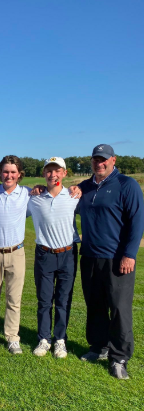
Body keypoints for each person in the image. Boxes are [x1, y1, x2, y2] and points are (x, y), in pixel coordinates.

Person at [78, 144, 144, 379]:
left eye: (104, 159)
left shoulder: (127, 185)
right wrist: (36, 189)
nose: (100, 163)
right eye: (96, 159)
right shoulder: (84, 187)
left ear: (113, 160)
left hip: (117, 259)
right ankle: (99, 346)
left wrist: (130, 254)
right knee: (95, 305)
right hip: (89, 257)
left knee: (119, 309)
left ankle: (120, 357)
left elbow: (137, 222)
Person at [27, 157, 80, 358]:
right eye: (49, 171)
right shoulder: (34, 198)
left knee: (63, 300)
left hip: (67, 254)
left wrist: (79, 187)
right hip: (44, 254)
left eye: (57, 171)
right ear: (44, 174)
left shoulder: (74, 196)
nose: (53, 175)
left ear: (64, 173)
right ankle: (44, 339)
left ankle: (60, 340)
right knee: (44, 300)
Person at [0, 155, 31, 354]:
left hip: (16, 252)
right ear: (0, 173)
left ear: (19, 174)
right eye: (5, 171)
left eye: (13, 172)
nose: (8, 175)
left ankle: (12, 337)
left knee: (14, 298)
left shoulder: (27, 194)